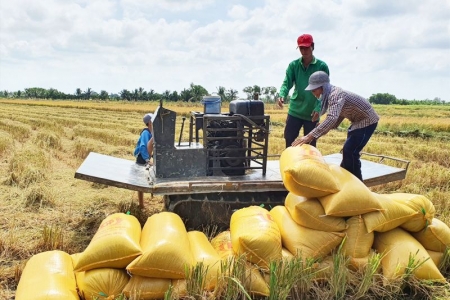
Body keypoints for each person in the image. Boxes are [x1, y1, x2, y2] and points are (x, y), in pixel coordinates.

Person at [292, 71, 379, 181]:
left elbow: (332, 118)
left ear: (322, 87)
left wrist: (309, 136)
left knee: (350, 151)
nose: (313, 93)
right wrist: (327, 126)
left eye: (314, 90)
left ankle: (357, 184)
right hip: (357, 122)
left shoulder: (335, 94)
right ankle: (344, 179)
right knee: (348, 151)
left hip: (367, 121)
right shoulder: (330, 94)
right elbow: (339, 115)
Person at [277, 33, 330, 148]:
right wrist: (282, 94)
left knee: (311, 143)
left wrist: (318, 108)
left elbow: (325, 91)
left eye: (306, 47)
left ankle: (309, 165)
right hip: (295, 110)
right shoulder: (293, 65)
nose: (304, 51)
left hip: (312, 113)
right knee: (289, 138)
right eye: (301, 48)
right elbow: (287, 83)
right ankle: (291, 165)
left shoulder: (322, 66)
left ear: (312, 47)